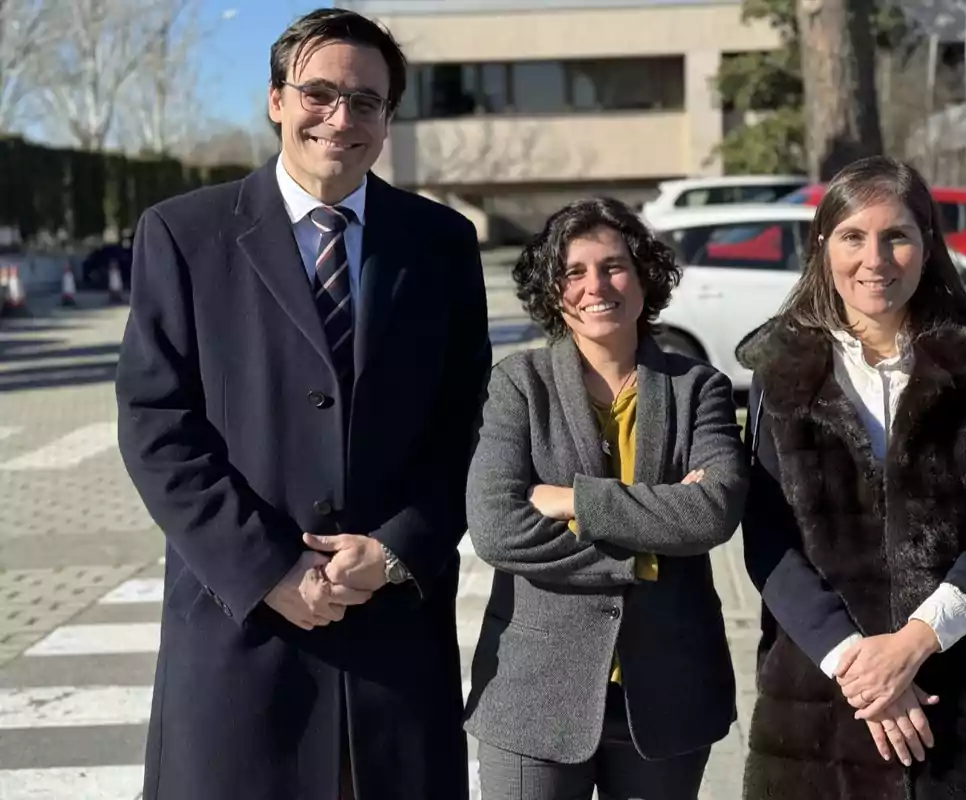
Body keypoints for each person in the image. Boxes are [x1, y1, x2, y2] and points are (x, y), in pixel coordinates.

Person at [115, 9, 490, 800]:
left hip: (391, 627)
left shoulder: (441, 242)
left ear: (388, 119)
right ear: (276, 101)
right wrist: (270, 566)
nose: (341, 118)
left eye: (366, 102)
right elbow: (158, 425)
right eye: (318, 93)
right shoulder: (184, 234)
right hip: (241, 624)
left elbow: (466, 423)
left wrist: (396, 550)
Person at [735, 156, 966, 800]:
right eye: (854, 236)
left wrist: (914, 642)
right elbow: (767, 541)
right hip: (824, 710)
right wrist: (861, 668)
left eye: (897, 236)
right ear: (824, 245)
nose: (875, 259)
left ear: (928, 245)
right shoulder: (782, 372)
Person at [463, 197, 748, 799]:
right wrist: (647, 545)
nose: (597, 285)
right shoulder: (519, 383)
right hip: (533, 698)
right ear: (553, 290)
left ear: (645, 277)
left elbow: (714, 512)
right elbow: (495, 527)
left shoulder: (699, 388)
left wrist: (573, 502)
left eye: (615, 266)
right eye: (574, 271)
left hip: (668, 695)